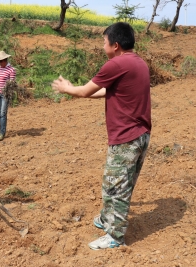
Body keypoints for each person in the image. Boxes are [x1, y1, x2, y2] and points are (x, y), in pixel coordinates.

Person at [51, 22, 151, 250]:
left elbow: (85, 90)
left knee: (116, 186)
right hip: (141, 135)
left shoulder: (115, 64)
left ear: (115, 45)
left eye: (103, 41)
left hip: (126, 138)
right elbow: (108, 91)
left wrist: (68, 87)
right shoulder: (138, 62)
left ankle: (115, 235)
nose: (102, 45)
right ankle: (107, 219)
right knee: (116, 182)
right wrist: (79, 91)